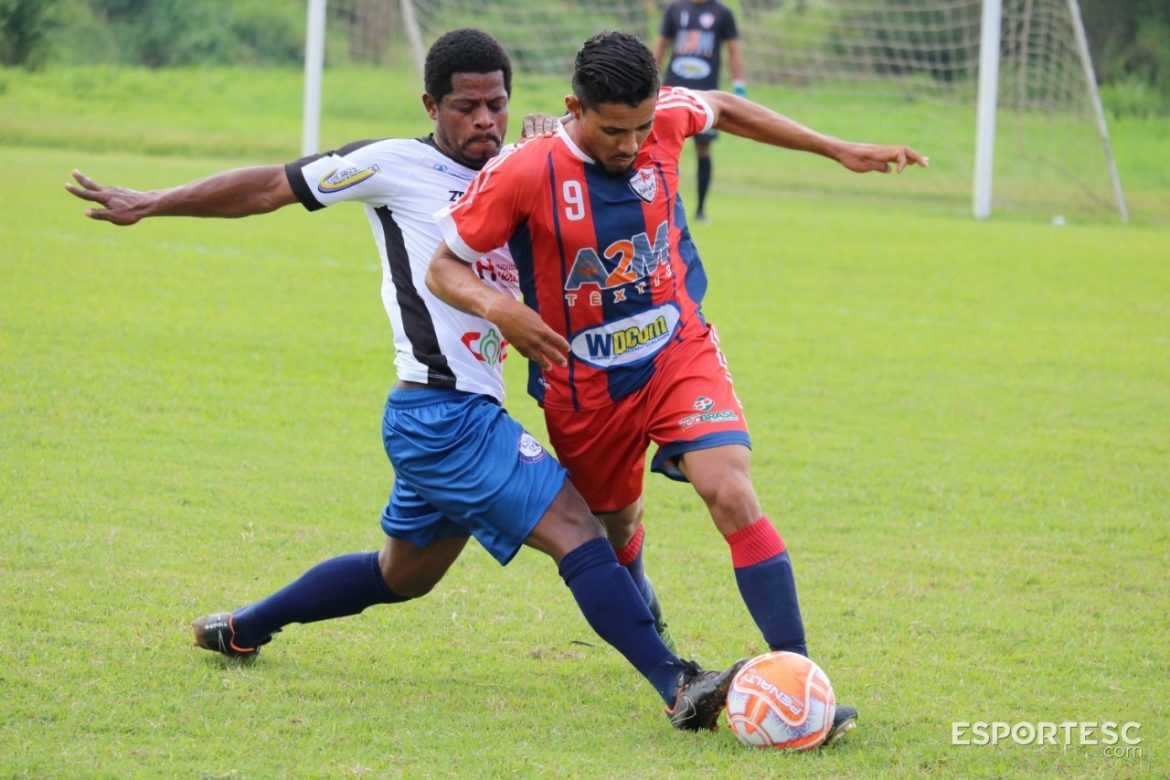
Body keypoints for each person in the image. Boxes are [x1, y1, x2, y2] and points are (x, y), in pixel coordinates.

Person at [64, 28, 742, 732]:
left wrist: (554, 155)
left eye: (497, 104)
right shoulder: (392, 166)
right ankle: (679, 682)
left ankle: (243, 627)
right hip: (446, 417)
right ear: (431, 105)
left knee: (401, 576)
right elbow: (271, 185)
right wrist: (155, 200)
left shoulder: (522, 169)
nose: (484, 120)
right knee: (577, 527)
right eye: (465, 106)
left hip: (444, 418)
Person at [428, 31, 929, 744]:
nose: (632, 144)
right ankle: (655, 637)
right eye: (612, 130)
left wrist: (836, 148)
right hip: (583, 388)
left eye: (642, 127)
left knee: (729, 489)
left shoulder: (665, 116)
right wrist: (502, 308)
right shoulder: (525, 172)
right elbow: (444, 266)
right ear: (575, 108)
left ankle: (800, 683)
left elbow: (722, 104)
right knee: (617, 529)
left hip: (677, 352)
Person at [653, 0, 746, 223]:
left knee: (703, 148)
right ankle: (657, 205)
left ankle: (701, 209)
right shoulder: (674, 9)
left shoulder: (722, 13)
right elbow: (661, 45)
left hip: (705, 93)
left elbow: (733, 49)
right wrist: (649, 78)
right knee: (660, 145)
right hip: (672, 89)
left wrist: (739, 85)